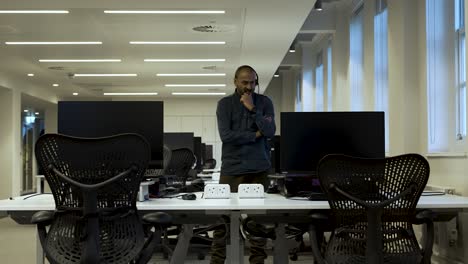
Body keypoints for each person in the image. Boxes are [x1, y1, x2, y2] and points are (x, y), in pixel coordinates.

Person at [210, 65, 276, 264]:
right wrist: (255, 134)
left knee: (257, 223)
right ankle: (217, 261)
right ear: (235, 81)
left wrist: (252, 108)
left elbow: (270, 131)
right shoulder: (225, 104)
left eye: (253, 82)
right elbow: (226, 136)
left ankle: (258, 261)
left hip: (259, 168)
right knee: (222, 222)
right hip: (232, 168)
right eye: (244, 82)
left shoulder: (264, 103)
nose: (249, 86)